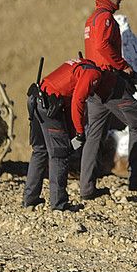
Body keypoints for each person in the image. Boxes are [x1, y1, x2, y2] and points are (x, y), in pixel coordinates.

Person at [81, 0, 137, 199]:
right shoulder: (106, 18)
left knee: (94, 134)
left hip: (93, 84)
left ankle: (87, 187)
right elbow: (102, 46)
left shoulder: (91, 20)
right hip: (109, 82)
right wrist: (123, 66)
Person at [23, 57, 115, 211]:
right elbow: (77, 101)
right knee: (59, 154)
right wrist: (79, 132)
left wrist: (73, 135)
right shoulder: (93, 74)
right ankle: (59, 204)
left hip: (36, 100)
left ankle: (30, 199)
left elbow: (67, 100)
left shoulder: (80, 65)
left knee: (40, 150)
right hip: (49, 106)